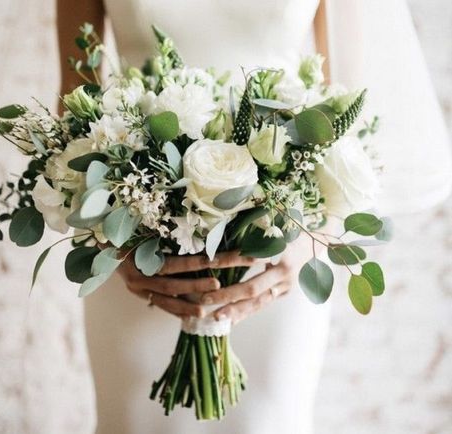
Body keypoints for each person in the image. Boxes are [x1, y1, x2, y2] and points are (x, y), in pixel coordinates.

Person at [57, 1, 452, 433]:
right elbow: (76, 113)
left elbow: (349, 114)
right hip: (137, 246)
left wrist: (312, 238)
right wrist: (110, 242)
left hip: (277, 249)